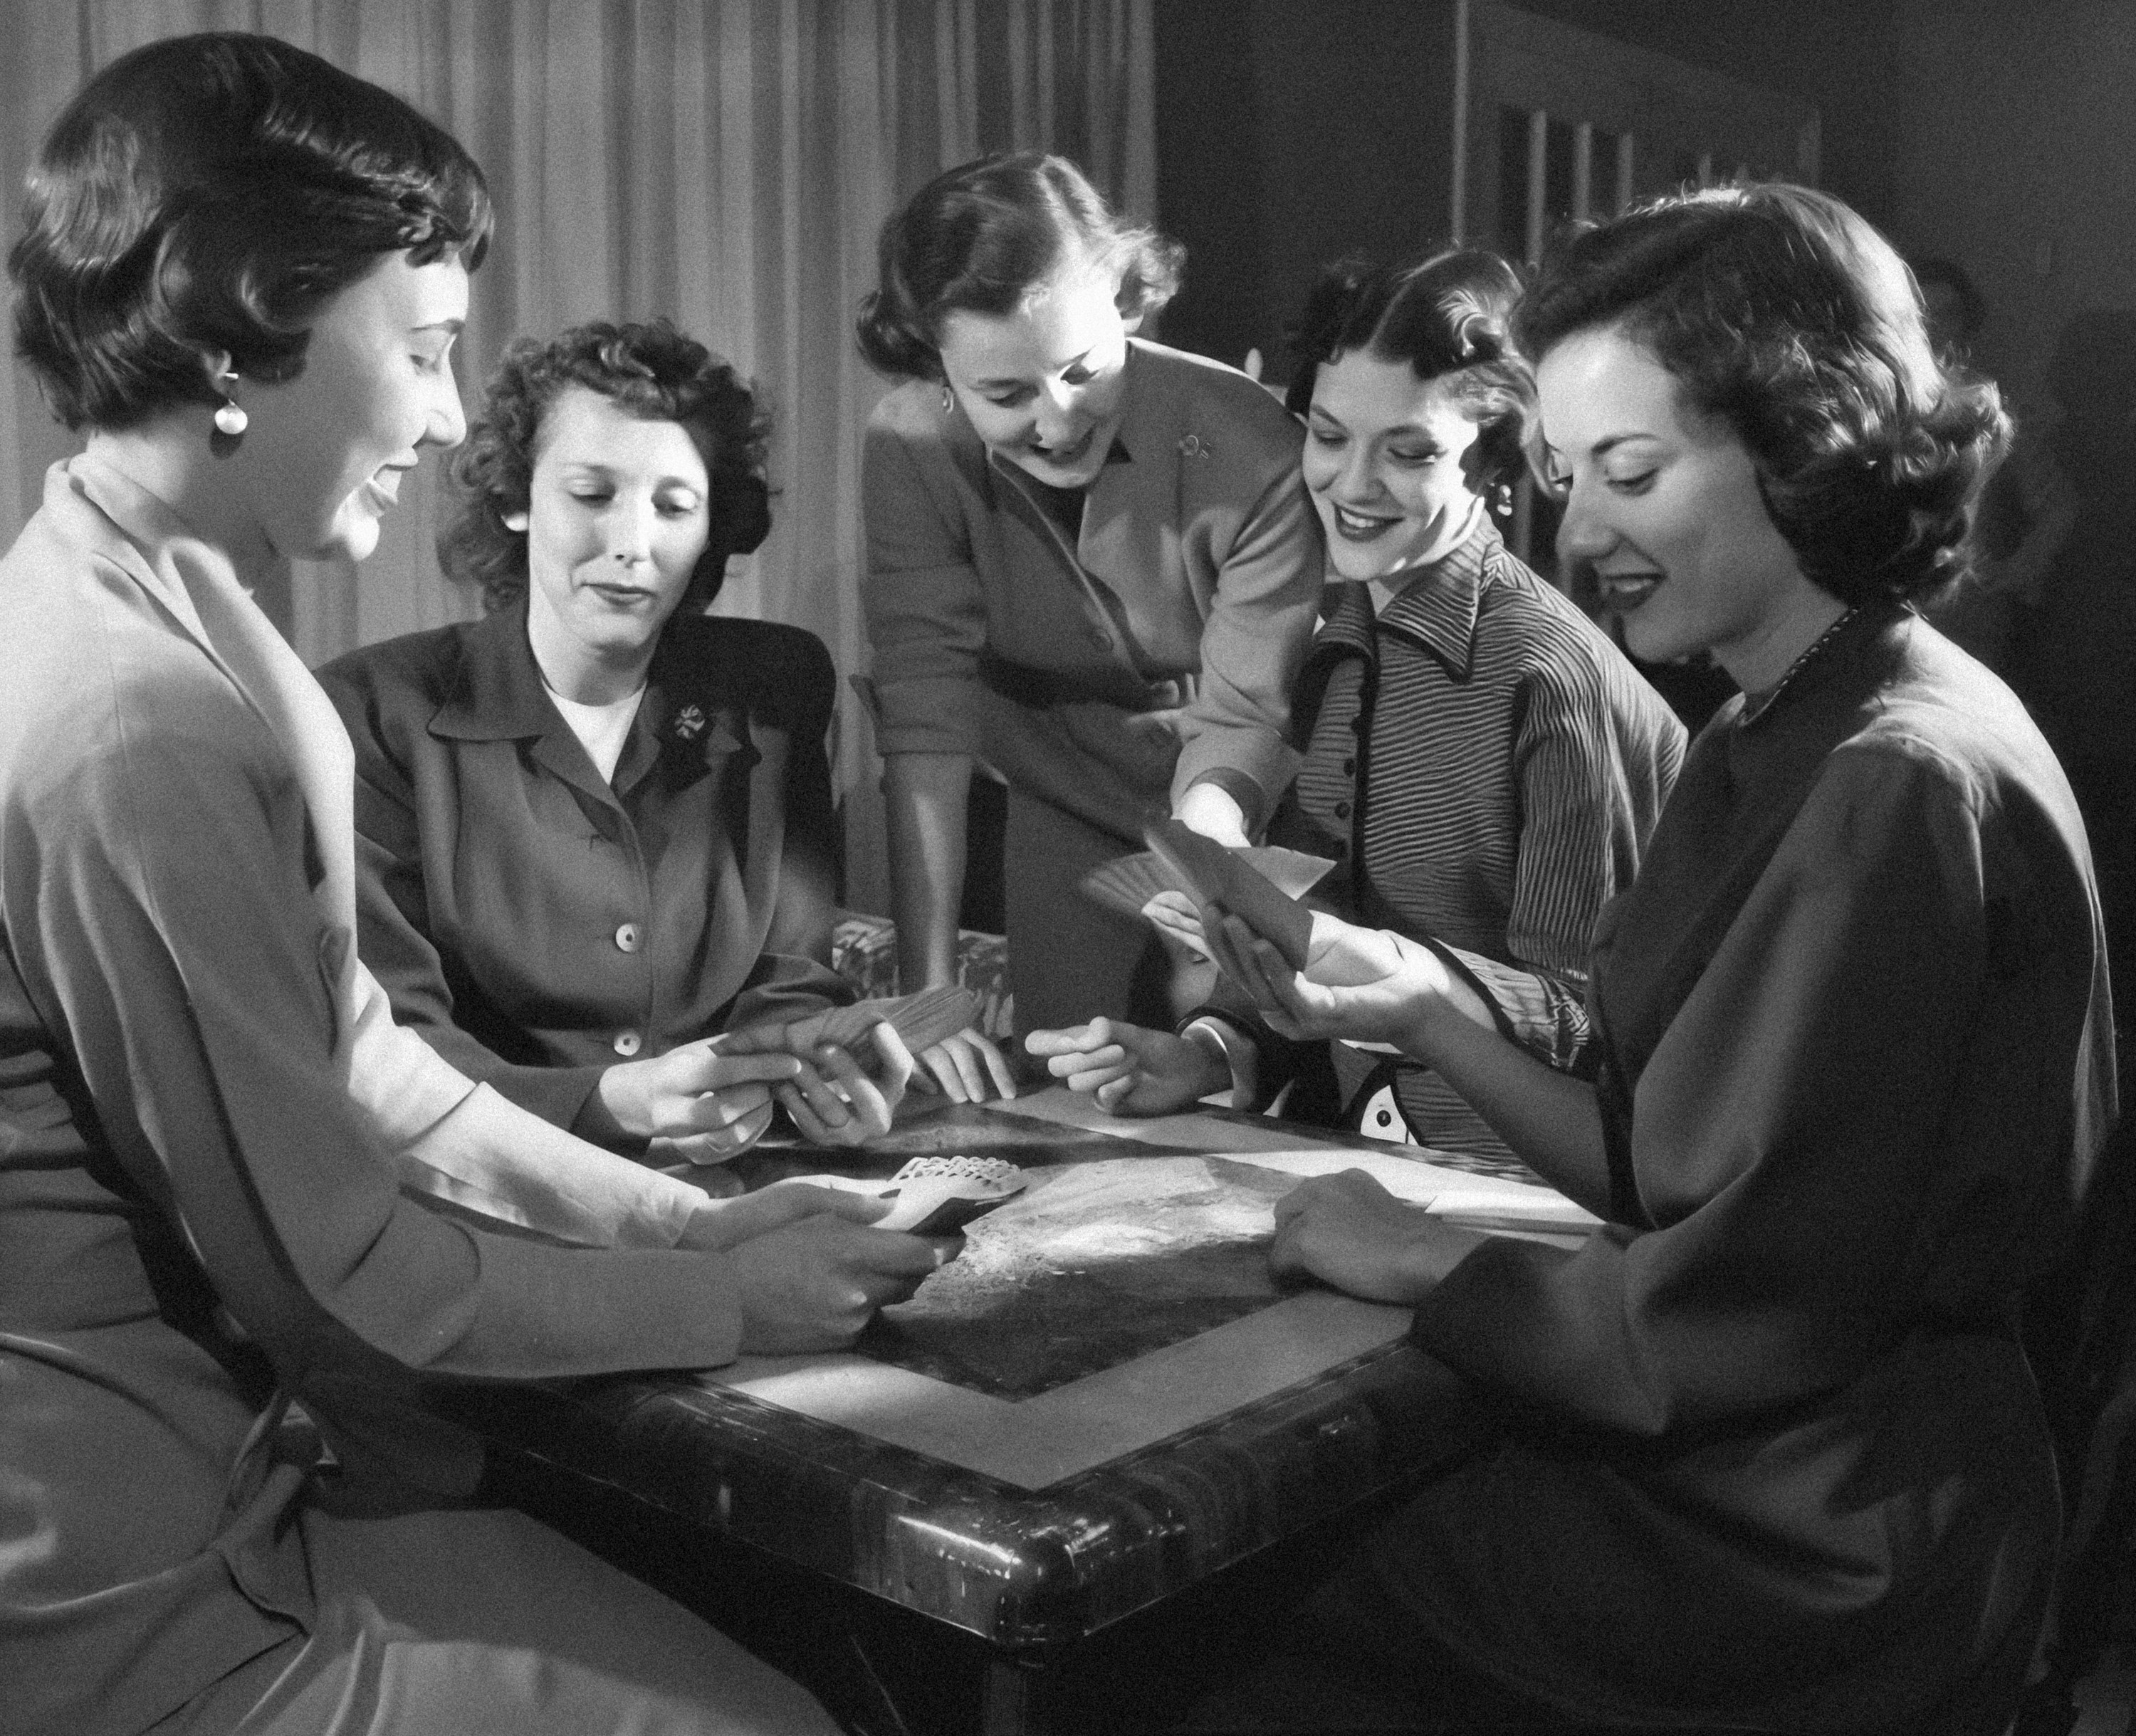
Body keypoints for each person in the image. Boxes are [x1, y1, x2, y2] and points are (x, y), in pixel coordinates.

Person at [0, 34, 938, 1736]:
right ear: (241, 330)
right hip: (130, 1609)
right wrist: (732, 1296)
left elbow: (363, 1052)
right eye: (423, 353)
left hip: (247, 1495)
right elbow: (341, 1271)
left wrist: (682, 1220)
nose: (445, 420)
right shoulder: (129, 721)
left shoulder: (190, 608)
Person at [1192, 184, 2117, 1727]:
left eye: (1631, 470)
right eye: (1562, 473)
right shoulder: (1774, 711)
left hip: (1824, 1534)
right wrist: (1432, 1011)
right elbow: (1662, 1155)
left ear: (1805, 444)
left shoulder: (1892, 777)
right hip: (1774, 1454)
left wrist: (1422, 1254)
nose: (1579, 527)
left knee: (1237, 1596)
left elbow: (1712, 1315)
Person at [1028, 251, 1685, 1166]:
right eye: (1329, 436)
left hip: (1509, 1184)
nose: (1353, 483)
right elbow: (1307, 956)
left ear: (1495, 460)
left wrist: (1406, 991)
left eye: (1410, 452)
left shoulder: (1551, 678)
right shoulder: (1327, 650)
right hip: (1338, 1162)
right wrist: (1207, 1054)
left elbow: (1588, 1024)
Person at [320, 318, 862, 1171]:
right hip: (489, 1190)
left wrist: (812, 1080)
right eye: (592, 494)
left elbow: (794, 971)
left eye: (674, 507)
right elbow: (395, 1044)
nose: (632, 545)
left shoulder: (776, 686)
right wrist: (615, 1105)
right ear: (516, 497)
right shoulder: (373, 711)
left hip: (739, 1174)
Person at [856, 151, 1324, 1097]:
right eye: (1008, 395)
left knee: (1247, 1074)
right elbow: (926, 723)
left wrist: (1209, 847)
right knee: (1067, 1089)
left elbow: (1248, 710)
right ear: (934, 362)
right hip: (1059, 793)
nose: (1060, 420)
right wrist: (930, 993)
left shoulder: (1251, 441)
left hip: (1246, 800)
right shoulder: (908, 441)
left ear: (1123, 297)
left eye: (1081, 371)